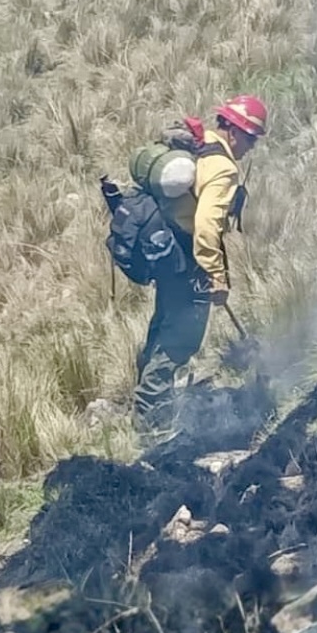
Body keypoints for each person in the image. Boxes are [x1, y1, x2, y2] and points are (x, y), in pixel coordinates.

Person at [135, 94, 267, 415]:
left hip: (166, 249)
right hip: (189, 258)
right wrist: (217, 275)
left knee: (164, 322)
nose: (250, 147)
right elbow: (207, 227)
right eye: (250, 138)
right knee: (183, 336)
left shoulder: (202, 144)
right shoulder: (223, 168)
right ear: (233, 131)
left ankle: (145, 398)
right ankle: (151, 417)